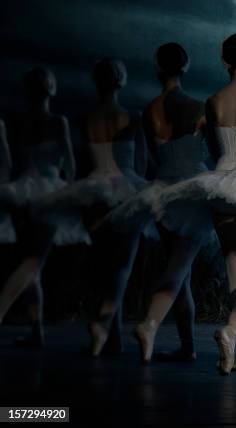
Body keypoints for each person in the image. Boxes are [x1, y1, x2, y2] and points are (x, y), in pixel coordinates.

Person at [156, 34, 236, 374]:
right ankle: (230, 330)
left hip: (222, 183)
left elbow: (215, 151)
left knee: (234, 267)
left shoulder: (214, 102)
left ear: (225, 61)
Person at [112, 42, 213, 364]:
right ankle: (150, 324)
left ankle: (187, 347)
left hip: (162, 192)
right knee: (179, 268)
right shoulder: (198, 107)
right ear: (184, 68)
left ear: (159, 69)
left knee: (179, 273)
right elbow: (210, 149)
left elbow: (154, 159)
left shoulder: (149, 111)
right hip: (192, 190)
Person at [0, 67, 77, 348]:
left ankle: (36, 331)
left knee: (32, 264)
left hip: (21, 192)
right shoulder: (58, 122)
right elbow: (69, 164)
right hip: (48, 191)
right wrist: (72, 194)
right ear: (51, 89)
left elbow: (9, 166)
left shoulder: (16, 123)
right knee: (33, 262)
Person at [82, 58, 152, 357]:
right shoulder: (132, 118)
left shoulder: (85, 118)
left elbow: (83, 161)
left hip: (95, 191)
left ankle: (110, 337)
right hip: (127, 191)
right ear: (121, 82)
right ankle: (105, 325)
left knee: (101, 268)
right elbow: (142, 163)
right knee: (122, 268)